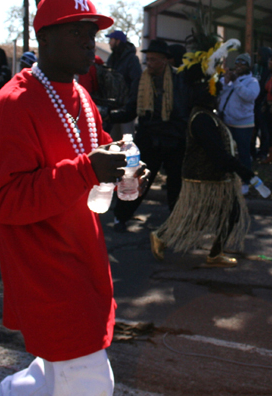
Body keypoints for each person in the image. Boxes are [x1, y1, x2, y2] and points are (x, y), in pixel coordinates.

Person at [0, 0, 145, 396]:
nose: (90, 41)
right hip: (45, 272)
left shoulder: (82, 97)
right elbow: (6, 201)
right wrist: (87, 169)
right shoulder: (8, 107)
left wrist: (133, 177)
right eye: (76, 32)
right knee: (89, 383)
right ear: (44, 39)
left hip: (85, 260)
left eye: (92, 32)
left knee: (52, 375)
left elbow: (105, 158)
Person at [150, 45, 254, 268]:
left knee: (224, 213)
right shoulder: (202, 119)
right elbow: (217, 153)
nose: (217, 97)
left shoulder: (206, 115)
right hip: (205, 177)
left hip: (213, 176)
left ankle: (213, 253)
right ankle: (162, 237)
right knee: (197, 217)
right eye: (215, 92)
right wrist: (243, 170)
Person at [106, 39, 188, 232]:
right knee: (136, 180)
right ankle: (121, 216)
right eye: (148, 59)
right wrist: (110, 114)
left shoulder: (179, 80)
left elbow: (183, 111)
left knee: (176, 184)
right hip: (149, 139)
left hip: (174, 141)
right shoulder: (142, 81)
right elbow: (131, 110)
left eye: (153, 59)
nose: (149, 63)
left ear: (165, 60)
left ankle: (177, 223)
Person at [217, 53, 260, 182]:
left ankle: (245, 182)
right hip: (226, 121)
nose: (239, 66)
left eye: (243, 64)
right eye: (237, 64)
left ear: (248, 67)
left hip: (243, 124)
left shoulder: (252, 82)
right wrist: (225, 81)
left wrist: (236, 82)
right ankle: (228, 178)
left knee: (243, 154)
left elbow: (248, 96)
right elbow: (218, 92)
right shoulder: (230, 80)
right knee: (226, 152)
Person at [105, 30, 142, 140]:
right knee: (113, 141)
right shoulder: (112, 58)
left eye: (111, 40)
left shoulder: (131, 59)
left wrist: (130, 106)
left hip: (126, 109)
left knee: (127, 140)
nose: (109, 43)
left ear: (118, 41)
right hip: (113, 107)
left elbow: (136, 82)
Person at [252, 45, 272, 159]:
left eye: (260, 55)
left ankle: (264, 151)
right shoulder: (255, 68)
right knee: (253, 129)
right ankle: (252, 150)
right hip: (253, 104)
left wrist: (265, 102)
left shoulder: (270, 70)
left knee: (264, 130)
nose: (258, 57)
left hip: (263, 105)